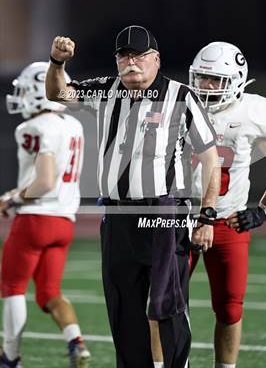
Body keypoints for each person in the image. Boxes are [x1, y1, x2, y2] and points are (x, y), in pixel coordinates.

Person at [45, 25, 221, 368]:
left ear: (155, 59)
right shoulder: (106, 90)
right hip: (117, 215)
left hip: (163, 213)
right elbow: (57, 94)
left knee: (167, 304)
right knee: (123, 305)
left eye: (139, 55)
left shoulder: (181, 96)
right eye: (124, 56)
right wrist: (56, 62)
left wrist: (207, 214)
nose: (131, 63)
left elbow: (211, 156)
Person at [189, 41, 266, 368]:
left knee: (230, 307)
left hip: (227, 221)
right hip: (182, 220)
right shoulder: (180, 106)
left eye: (215, 80)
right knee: (163, 305)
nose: (206, 87)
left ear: (237, 80)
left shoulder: (253, 113)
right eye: (201, 78)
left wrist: (263, 210)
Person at [0, 62, 91, 368]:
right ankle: (76, 341)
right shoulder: (74, 125)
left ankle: (10, 356)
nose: (21, 96)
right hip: (65, 221)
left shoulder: (31, 128)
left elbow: (44, 183)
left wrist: (13, 200)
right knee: (49, 292)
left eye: (26, 90)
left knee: (13, 287)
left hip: (35, 217)